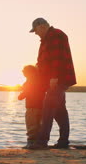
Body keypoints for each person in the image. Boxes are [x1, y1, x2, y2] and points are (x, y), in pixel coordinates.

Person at [28, 17, 77, 149]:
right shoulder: (46, 39)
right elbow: (43, 61)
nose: (36, 34)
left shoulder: (56, 35)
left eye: (36, 30)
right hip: (53, 80)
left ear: (42, 26)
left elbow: (57, 58)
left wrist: (54, 77)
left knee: (48, 109)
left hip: (57, 80)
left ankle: (41, 142)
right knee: (60, 112)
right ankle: (63, 142)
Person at [17, 65, 47, 149]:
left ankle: (31, 143)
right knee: (39, 126)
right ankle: (39, 143)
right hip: (42, 107)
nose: (23, 73)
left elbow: (22, 96)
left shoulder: (28, 82)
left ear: (29, 73)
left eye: (24, 71)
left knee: (31, 125)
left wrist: (20, 94)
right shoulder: (41, 81)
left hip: (31, 108)